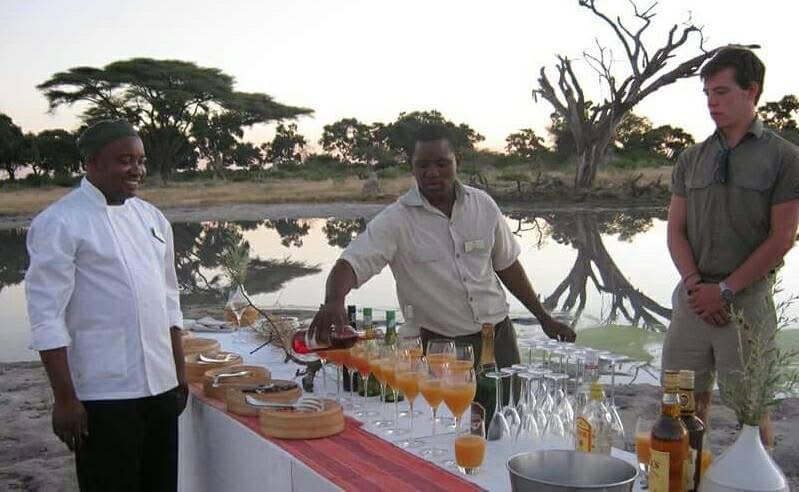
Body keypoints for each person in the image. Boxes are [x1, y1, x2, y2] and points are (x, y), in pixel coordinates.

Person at [309, 124, 575, 378]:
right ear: (412, 168)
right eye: (422, 165)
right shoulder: (396, 221)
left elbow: (507, 266)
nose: (432, 172)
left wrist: (543, 317)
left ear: (455, 161)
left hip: (498, 339)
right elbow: (350, 264)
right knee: (448, 420)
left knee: (505, 416)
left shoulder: (483, 205)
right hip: (439, 349)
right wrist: (334, 302)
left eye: (441, 163)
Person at [25, 119, 187, 491]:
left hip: (161, 389)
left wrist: (178, 373)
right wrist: (65, 399)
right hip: (104, 394)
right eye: (124, 160)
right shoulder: (60, 222)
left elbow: (169, 300)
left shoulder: (153, 219)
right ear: (91, 162)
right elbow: (46, 317)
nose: (137, 170)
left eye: (141, 160)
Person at [663, 47, 799, 446]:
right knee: (680, 409)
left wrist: (724, 291)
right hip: (692, 299)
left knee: (752, 416)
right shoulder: (692, 158)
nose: (712, 103)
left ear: (751, 91)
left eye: (721, 92)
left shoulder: (784, 158)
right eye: (707, 94)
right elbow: (675, 230)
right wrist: (695, 286)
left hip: (745, 305)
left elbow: (782, 238)